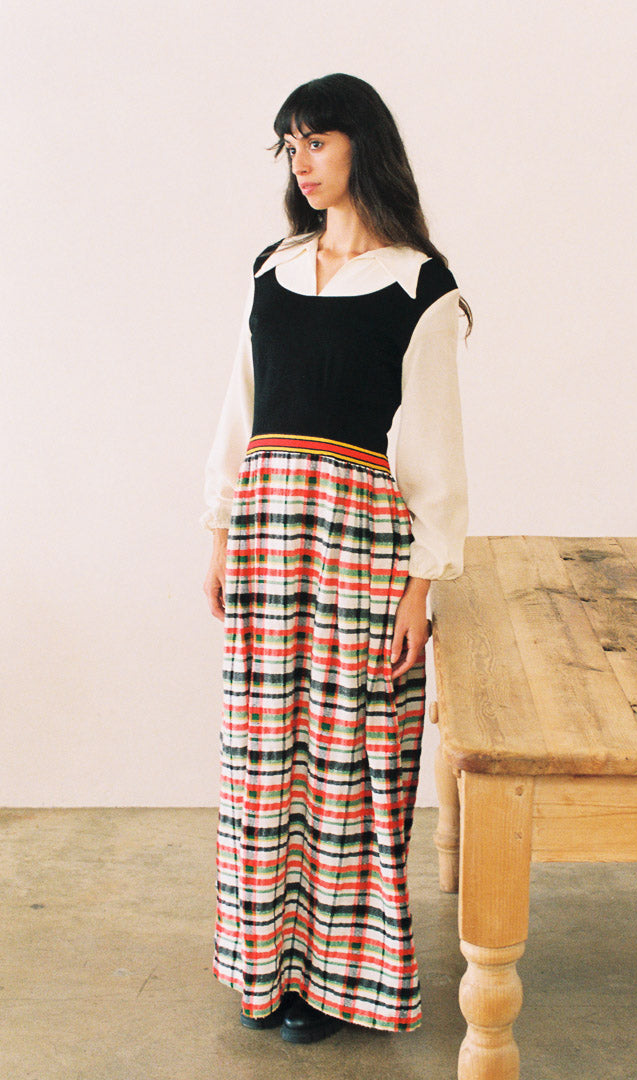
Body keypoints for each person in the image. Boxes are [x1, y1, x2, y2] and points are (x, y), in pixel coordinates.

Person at [202, 72, 470, 1045]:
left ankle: (333, 979)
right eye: (291, 147)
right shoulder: (272, 268)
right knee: (263, 759)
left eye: (316, 141)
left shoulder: (418, 285)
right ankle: (264, 963)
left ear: (363, 143)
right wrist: (221, 528)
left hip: (361, 544)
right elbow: (241, 407)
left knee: (349, 759)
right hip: (271, 536)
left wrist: (420, 585)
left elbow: (435, 448)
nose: (302, 163)